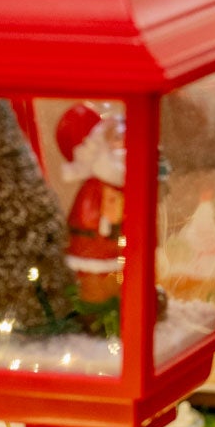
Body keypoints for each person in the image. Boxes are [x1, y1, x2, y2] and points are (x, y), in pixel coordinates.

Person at [54, 101, 128, 305]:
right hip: (96, 245)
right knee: (95, 280)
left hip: (115, 246)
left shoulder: (116, 179)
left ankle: (113, 300)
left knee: (115, 274)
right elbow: (91, 215)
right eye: (117, 138)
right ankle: (95, 305)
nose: (123, 144)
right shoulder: (99, 185)